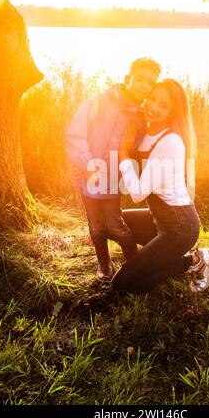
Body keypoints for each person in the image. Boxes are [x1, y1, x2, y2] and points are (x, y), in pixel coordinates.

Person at [112, 79, 209, 294]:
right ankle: (145, 261)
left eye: (164, 105)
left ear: (173, 112)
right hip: (157, 219)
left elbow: (138, 193)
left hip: (179, 228)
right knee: (111, 222)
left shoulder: (170, 142)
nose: (154, 106)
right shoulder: (145, 134)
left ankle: (194, 260)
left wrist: (123, 153)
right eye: (153, 99)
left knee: (122, 286)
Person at [66, 58, 161, 279]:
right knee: (96, 225)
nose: (144, 86)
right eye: (140, 79)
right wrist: (84, 163)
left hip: (113, 180)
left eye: (150, 83)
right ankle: (104, 264)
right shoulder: (100, 102)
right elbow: (76, 133)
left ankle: (135, 266)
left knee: (116, 225)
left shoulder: (141, 116)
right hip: (89, 176)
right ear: (128, 78)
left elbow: (139, 150)